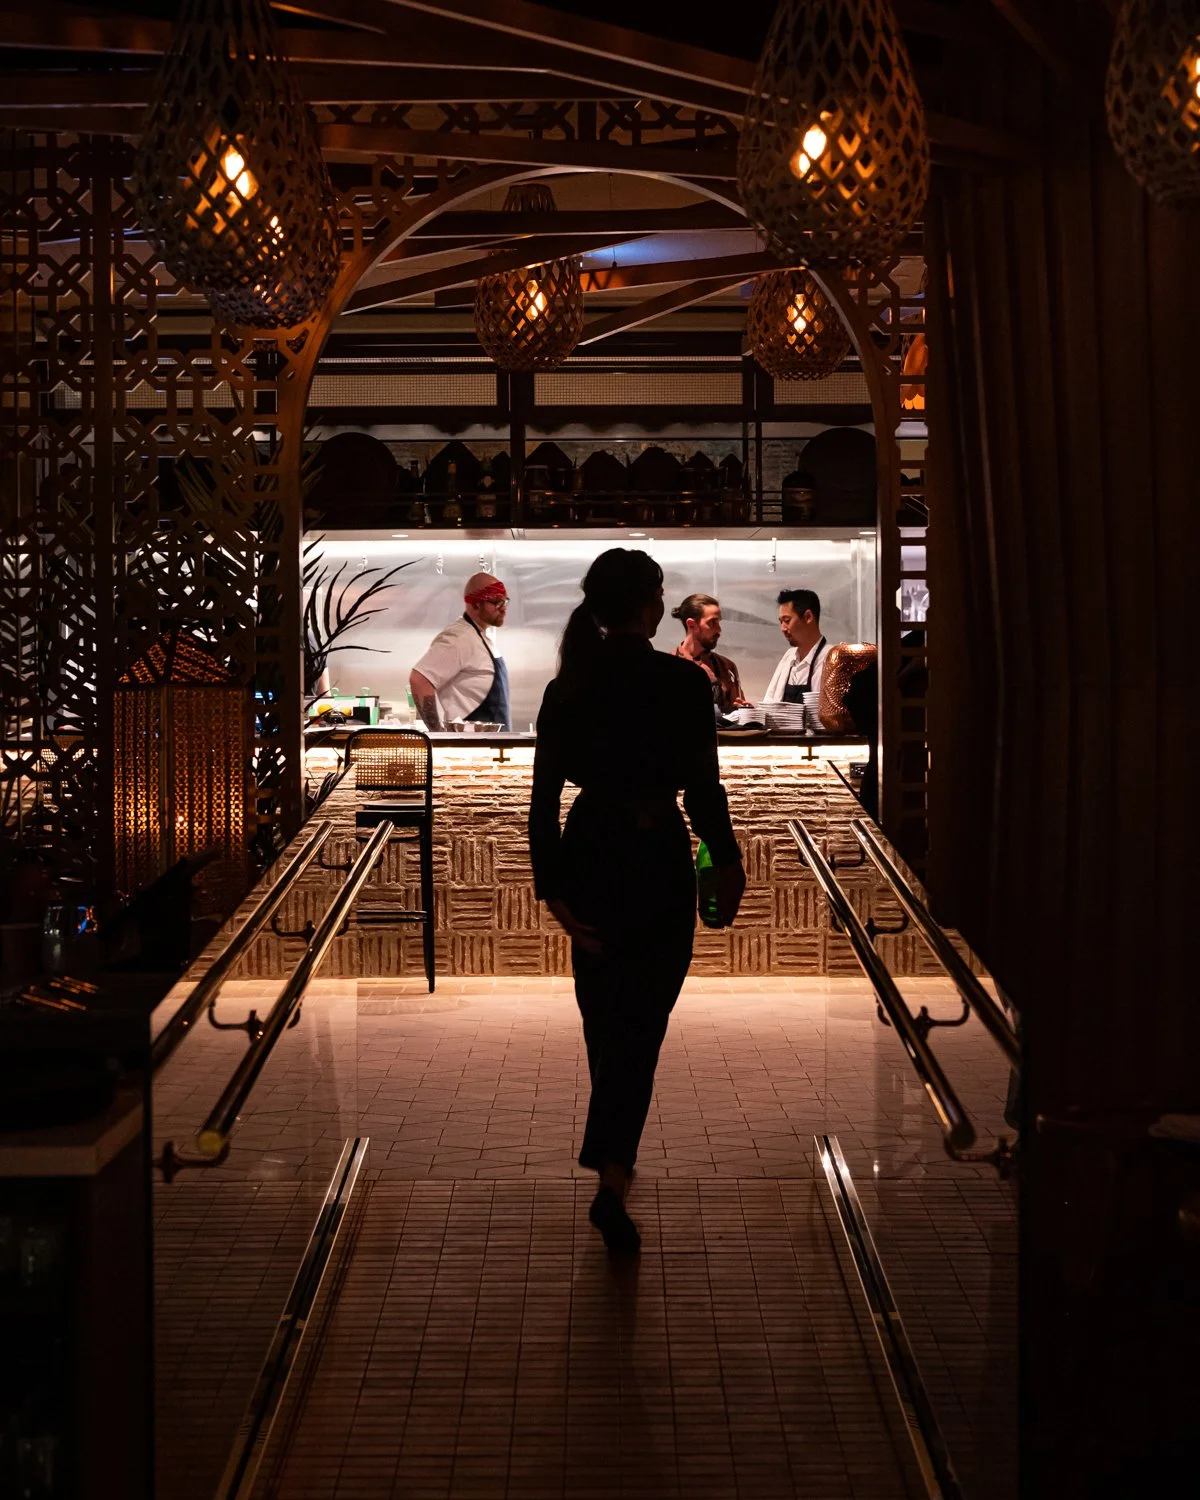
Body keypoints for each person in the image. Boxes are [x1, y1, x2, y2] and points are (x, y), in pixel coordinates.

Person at [529, 549, 745, 1255]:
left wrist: (552, 888)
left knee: (605, 1020)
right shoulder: (681, 683)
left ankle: (614, 1168)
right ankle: (612, 1177)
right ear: (652, 605)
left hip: (592, 852)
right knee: (643, 1024)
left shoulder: (568, 687)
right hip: (657, 859)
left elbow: (542, 803)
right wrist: (728, 861)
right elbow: (704, 790)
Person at [409, 573, 511, 730]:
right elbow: (419, 679)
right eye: (496, 602)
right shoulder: (459, 638)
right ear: (475, 604)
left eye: (504, 602)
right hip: (471, 748)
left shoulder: (482, 637)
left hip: (490, 745)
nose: (503, 608)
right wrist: (437, 731)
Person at [670, 592, 750, 714]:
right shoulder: (668, 666)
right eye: (712, 622)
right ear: (692, 624)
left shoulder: (727, 667)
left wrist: (740, 710)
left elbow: (737, 704)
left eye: (718, 622)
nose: (719, 629)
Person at [764, 587, 829, 704]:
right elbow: (769, 702)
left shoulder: (829, 659)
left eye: (787, 620)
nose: (782, 628)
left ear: (808, 617)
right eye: (781, 622)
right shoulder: (789, 657)